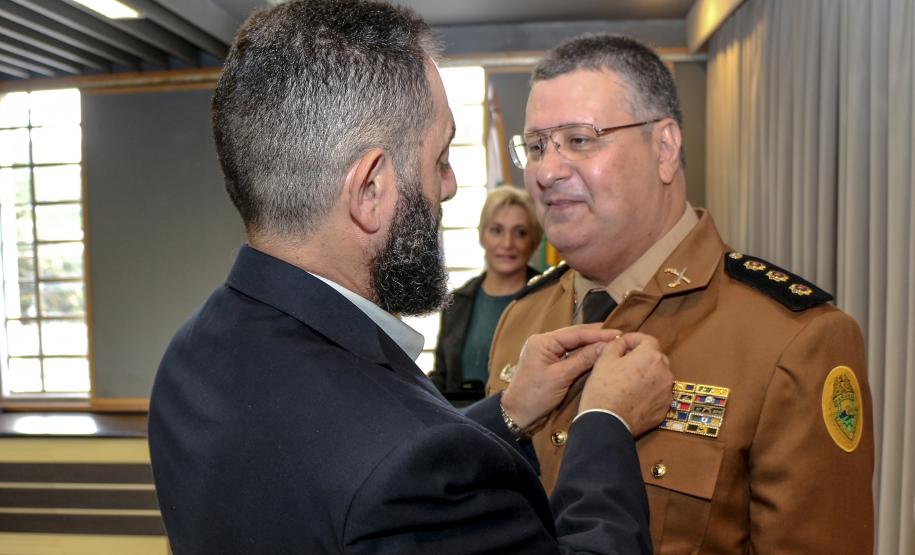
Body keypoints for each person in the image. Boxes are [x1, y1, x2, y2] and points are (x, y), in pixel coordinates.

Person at [147, 3, 675, 553]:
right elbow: (391, 466)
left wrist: (510, 411)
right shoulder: (401, 470)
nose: (448, 185)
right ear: (370, 189)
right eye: (440, 157)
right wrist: (604, 423)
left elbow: (353, 453)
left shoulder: (191, 357)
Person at [486, 34, 874, 554]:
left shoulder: (794, 340)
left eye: (579, 139)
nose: (547, 172)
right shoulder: (523, 319)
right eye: (535, 146)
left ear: (664, 149)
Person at [431, 186, 542, 398]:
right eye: (497, 230)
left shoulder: (552, 296)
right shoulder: (457, 301)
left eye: (520, 233)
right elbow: (442, 377)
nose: (507, 243)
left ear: (534, 240)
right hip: (465, 425)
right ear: (482, 236)